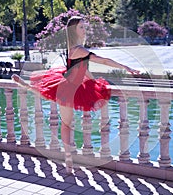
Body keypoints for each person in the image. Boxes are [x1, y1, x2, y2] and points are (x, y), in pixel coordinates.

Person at [12, 16, 139, 174]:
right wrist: (126, 67)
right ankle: (68, 159)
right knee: (66, 124)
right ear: (73, 31)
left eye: (84, 27)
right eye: (81, 27)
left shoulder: (77, 48)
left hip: (74, 83)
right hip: (68, 87)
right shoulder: (78, 50)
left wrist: (94, 83)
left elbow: (83, 69)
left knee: (66, 122)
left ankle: (27, 86)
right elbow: (104, 61)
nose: (84, 29)